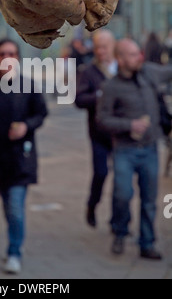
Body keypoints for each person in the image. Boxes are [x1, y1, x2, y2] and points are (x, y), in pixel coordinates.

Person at [0, 39, 48, 274]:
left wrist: (26, 126)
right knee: (7, 206)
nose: (7, 58)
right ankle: (16, 241)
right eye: (2, 54)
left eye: (11, 54)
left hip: (22, 158)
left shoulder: (29, 86)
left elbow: (41, 114)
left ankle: (14, 251)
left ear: (18, 59)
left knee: (15, 206)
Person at [97, 38, 172, 260]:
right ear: (120, 59)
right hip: (125, 149)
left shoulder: (149, 72)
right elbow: (102, 119)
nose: (138, 57)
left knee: (149, 200)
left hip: (150, 148)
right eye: (132, 54)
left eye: (138, 53)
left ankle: (147, 243)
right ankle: (120, 231)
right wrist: (129, 125)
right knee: (123, 194)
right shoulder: (110, 87)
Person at [75, 30, 117, 228]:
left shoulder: (123, 67)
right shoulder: (89, 72)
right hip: (99, 133)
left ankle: (118, 220)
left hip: (121, 135)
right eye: (98, 47)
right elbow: (79, 100)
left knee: (122, 179)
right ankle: (92, 205)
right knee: (100, 173)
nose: (101, 51)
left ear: (113, 46)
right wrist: (99, 97)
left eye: (105, 47)